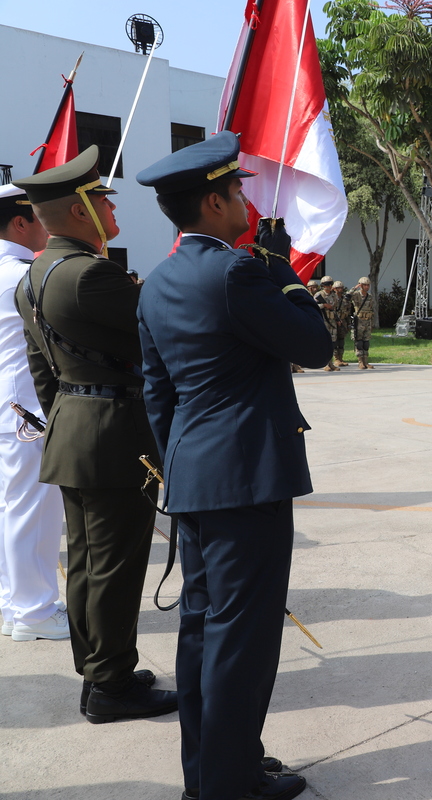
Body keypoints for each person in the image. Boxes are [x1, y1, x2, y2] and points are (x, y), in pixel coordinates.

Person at [136, 131, 329, 800]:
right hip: (248, 479)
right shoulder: (239, 272)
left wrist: (182, 467)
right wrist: (284, 272)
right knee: (241, 642)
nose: (248, 199)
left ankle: (216, 769)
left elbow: (157, 394)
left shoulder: (157, 282)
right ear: (215, 202)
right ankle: (228, 785)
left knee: (202, 635)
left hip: (195, 478)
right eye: (238, 189)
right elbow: (315, 345)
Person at [12, 147, 176, 721]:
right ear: (80, 210)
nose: (110, 205)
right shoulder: (92, 275)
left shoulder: (32, 276)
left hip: (73, 431)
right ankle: (110, 686)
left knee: (85, 564)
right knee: (114, 566)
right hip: (111, 434)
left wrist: (73, 417)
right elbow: (159, 338)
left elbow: (43, 373)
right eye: (102, 197)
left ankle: (100, 670)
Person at [0, 184, 65, 642]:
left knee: (10, 506)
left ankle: (12, 599)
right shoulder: (25, 273)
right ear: (21, 222)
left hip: (9, 407)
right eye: (40, 216)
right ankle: (34, 611)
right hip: (28, 410)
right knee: (34, 509)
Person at [315, 276, 341, 371]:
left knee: (332, 343)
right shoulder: (319, 295)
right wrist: (324, 305)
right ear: (323, 285)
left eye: (330, 284)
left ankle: (331, 364)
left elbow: (336, 308)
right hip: (323, 321)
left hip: (332, 321)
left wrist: (338, 319)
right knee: (325, 342)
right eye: (327, 284)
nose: (329, 286)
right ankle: (325, 364)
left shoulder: (334, 295)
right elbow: (313, 306)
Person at [349, 277, 375, 369]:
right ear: (361, 285)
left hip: (367, 321)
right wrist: (355, 288)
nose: (367, 287)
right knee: (359, 342)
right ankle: (360, 362)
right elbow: (347, 296)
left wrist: (372, 323)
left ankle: (366, 362)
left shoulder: (370, 297)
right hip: (359, 321)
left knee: (366, 342)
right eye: (365, 285)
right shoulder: (356, 295)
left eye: (368, 285)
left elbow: (372, 310)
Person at [332, 280, 351, 365]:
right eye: (338, 288)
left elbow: (348, 312)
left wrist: (349, 323)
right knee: (335, 340)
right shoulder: (332, 298)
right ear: (334, 289)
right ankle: (336, 358)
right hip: (333, 322)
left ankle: (341, 358)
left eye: (341, 288)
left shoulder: (345, 299)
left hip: (343, 321)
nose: (340, 289)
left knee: (341, 341)